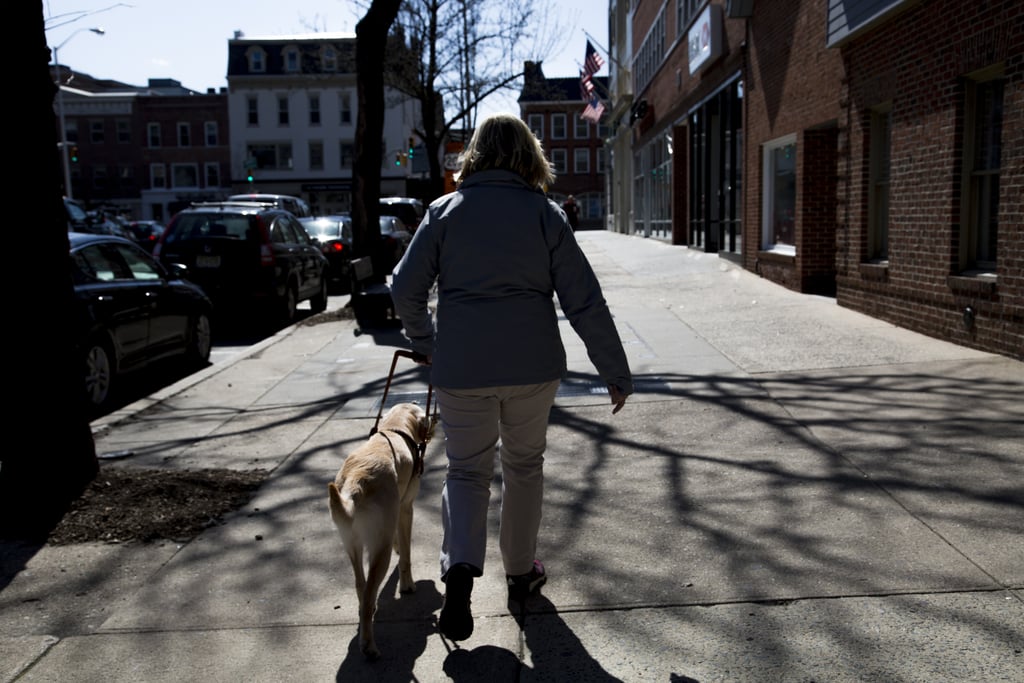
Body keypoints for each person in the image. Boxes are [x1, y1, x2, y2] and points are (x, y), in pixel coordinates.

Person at [390, 113, 633, 642]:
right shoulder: (545, 215)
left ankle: (459, 575)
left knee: (466, 471)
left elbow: (404, 289)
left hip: (462, 370)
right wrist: (613, 370)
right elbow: (583, 299)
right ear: (529, 156)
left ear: (474, 154)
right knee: (524, 467)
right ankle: (520, 572)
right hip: (531, 369)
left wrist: (429, 345)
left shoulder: (443, 213)